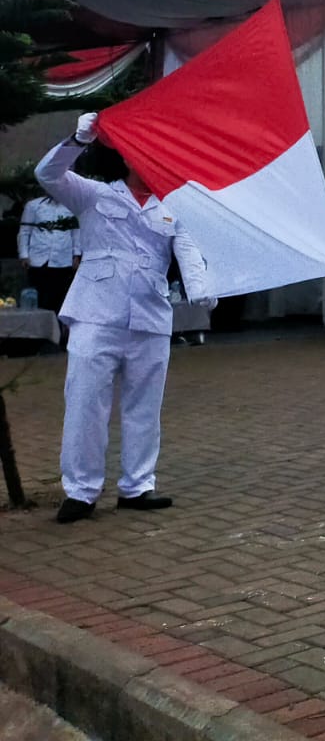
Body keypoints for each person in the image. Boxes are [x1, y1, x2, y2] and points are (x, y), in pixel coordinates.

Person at [36, 113, 213, 523]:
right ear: (128, 161)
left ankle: (137, 486)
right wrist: (78, 140)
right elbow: (48, 175)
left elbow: (187, 252)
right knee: (84, 403)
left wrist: (200, 286)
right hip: (96, 313)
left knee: (144, 407)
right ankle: (81, 491)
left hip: (149, 317)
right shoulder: (95, 195)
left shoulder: (172, 210)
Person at [18, 187, 80, 316]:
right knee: (37, 299)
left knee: (59, 299)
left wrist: (76, 254)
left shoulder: (72, 206)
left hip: (62, 260)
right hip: (38, 260)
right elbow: (24, 231)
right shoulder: (33, 206)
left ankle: (57, 333)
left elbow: (76, 233)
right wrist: (24, 254)